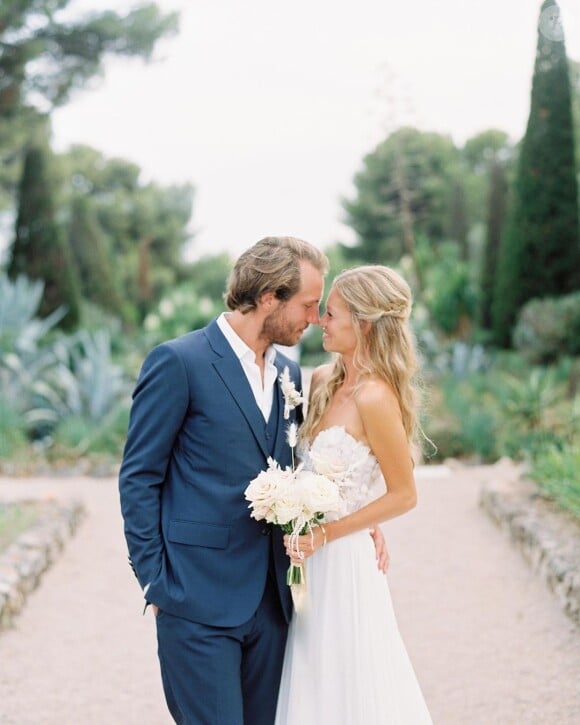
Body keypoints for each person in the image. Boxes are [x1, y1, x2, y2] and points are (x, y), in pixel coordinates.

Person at [118, 237, 387, 725]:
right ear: (268, 298)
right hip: (195, 601)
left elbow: (304, 464)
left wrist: (355, 514)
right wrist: (156, 583)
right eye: (307, 305)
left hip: (276, 605)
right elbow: (139, 476)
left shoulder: (289, 371)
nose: (314, 318)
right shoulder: (179, 362)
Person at [275, 265, 433, 725]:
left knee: (350, 676)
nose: (321, 321)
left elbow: (405, 494)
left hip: (342, 561)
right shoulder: (322, 379)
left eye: (332, 313)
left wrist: (331, 531)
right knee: (311, 675)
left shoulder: (376, 397)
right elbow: (313, 467)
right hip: (306, 555)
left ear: (363, 323)